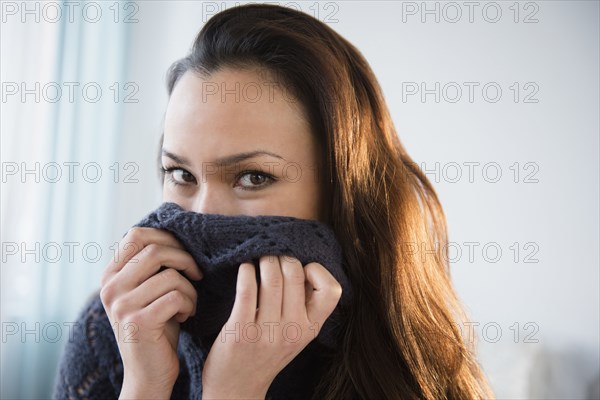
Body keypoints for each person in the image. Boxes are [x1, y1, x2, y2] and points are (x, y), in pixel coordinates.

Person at [55, 4, 494, 399]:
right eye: (182, 174)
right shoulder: (120, 326)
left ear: (340, 191)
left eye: (252, 177)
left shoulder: (405, 360)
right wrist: (145, 386)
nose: (202, 216)